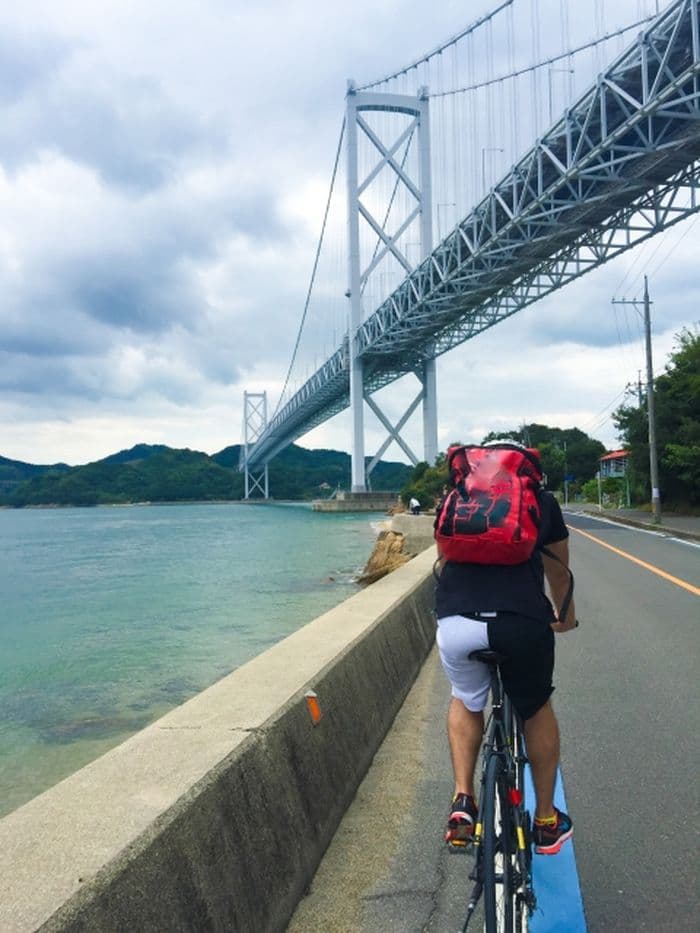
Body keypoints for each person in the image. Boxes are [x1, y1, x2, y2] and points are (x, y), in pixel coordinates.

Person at [434, 441, 577, 856]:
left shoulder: (457, 499)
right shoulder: (540, 500)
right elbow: (560, 574)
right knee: (534, 707)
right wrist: (565, 618)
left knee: (465, 699)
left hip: (458, 621)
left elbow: (445, 561)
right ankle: (546, 821)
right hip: (522, 622)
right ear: (526, 469)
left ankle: (463, 802)